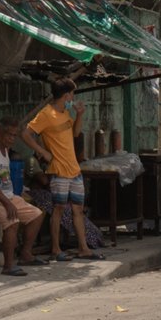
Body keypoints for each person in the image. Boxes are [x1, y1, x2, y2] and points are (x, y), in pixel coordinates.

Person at [22, 75, 98, 262]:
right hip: (58, 170)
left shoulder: (66, 113)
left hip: (74, 169)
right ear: (66, 95)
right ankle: (56, 249)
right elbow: (25, 133)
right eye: (72, 94)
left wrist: (79, 115)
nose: (73, 97)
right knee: (59, 209)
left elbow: (76, 133)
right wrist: (42, 152)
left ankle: (83, 248)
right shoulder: (46, 114)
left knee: (78, 209)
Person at [0, 118, 44, 276]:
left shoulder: (5, 149)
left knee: (37, 215)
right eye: (9, 135)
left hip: (6, 196)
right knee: (11, 221)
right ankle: (8, 266)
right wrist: (7, 204)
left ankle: (25, 254)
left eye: (14, 136)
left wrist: (10, 200)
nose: (11, 139)